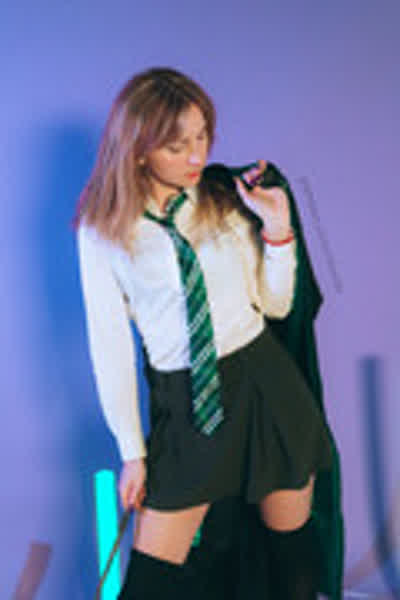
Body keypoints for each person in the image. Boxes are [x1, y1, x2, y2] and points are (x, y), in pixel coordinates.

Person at [73, 66, 342, 599]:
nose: (197, 157)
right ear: (138, 150)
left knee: (292, 564)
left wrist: (278, 229)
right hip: (189, 402)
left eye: (202, 137)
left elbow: (275, 304)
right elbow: (110, 348)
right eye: (178, 146)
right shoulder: (102, 231)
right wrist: (132, 452)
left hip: (266, 387)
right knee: (151, 584)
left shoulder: (222, 198)